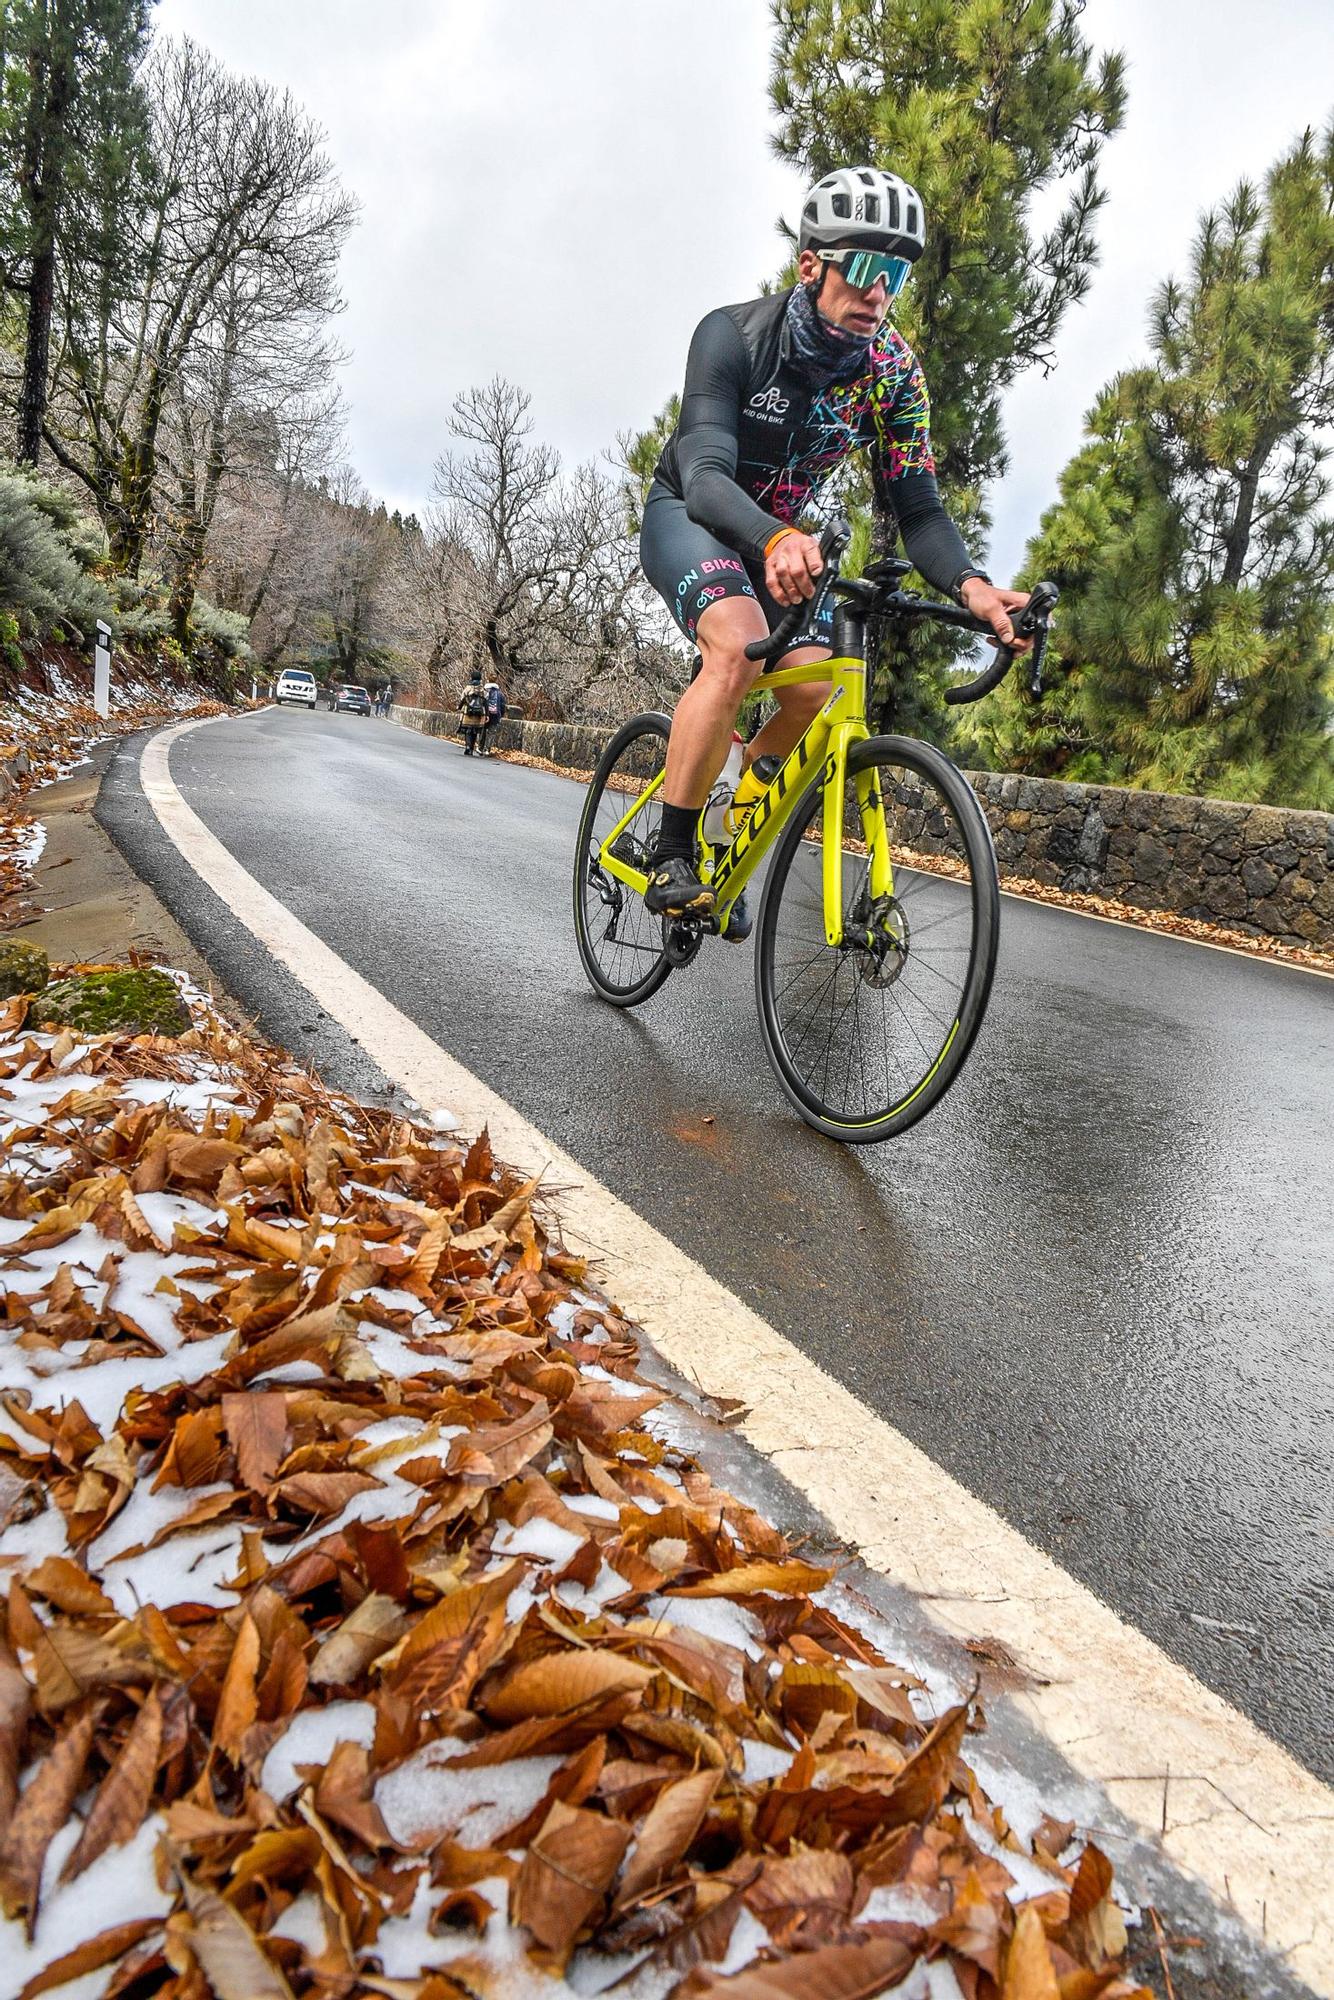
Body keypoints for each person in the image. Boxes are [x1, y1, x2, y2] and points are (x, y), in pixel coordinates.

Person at [638, 163, 1031, 937]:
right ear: (811, 264)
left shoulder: (893, 374)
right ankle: (674, 851)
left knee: (816, 693)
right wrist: (777, 535)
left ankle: (737, 794)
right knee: (737, 651)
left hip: (779, 546)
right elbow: (707, 475)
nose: (879, 292)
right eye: (866, 269)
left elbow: (918, 508)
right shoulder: (733, 335)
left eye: (897, 275)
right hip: (695, 514)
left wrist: (975, 588)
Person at [458, 668, 487, 755]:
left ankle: (468, 746)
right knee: (475, 730)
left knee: (468, 729)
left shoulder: (468, 687)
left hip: (468, 712)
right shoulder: (482, 689)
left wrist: (459, 707)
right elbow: (485, 701)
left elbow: (462, 698)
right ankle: (472, 747)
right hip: (479, 713)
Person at [480, 678, 507, 755]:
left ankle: (480, 748)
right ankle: (487, 749)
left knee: (483, 730)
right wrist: (501, 715)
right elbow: (502, 706)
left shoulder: (484, 692)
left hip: (485, 714)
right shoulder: (500, 694)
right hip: (495, 715)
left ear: (488, 681)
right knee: (491, 732)